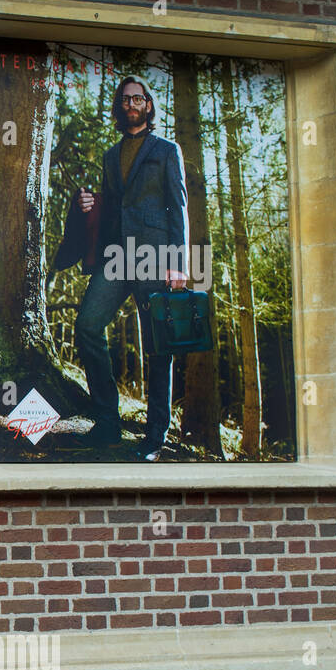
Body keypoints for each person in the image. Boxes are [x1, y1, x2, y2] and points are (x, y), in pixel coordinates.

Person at [74, 75, 189, 462]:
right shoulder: (111, 155)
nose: (131, 104)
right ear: (119, 108)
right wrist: (92, 205)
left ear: (149, 105)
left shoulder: (166, 150)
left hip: (156, 257)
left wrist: (179, 264)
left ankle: (155, 436)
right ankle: (108, 421)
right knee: (88, 325)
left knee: (158, 346)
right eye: (125, 100)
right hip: (117, 257)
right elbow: (114, 207)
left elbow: (179, 209)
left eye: (138, 98)